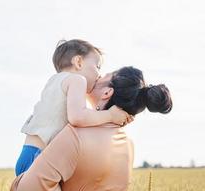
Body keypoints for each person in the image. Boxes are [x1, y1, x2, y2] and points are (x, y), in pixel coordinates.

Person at [10, 66, 173, 191]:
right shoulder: (128, 146)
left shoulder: (75, 135)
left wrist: (19, 181)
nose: (97, 77)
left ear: (107, 93)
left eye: (103, 75)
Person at [15, 39, 132, 176]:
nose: (99, 74)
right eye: (97, 66)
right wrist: (110, 116)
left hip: (28, 153)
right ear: (78, 62)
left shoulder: (54, 81)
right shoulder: (77, 80)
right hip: (38, 159)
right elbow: (78, 117)